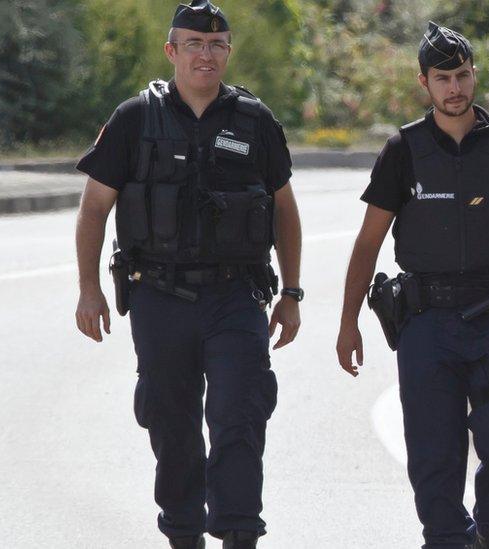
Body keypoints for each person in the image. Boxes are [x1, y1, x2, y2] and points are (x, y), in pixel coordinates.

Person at [73, 2, 303, 547]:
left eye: (217, 44)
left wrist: (291, 292)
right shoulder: (135, 119)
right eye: (194, 44)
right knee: (171, 425)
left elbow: (284, 209)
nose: (206, 54)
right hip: (158, 297)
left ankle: (239, 532)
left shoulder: (255, 121)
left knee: (240, 415)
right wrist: (88, 288)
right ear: (171, 50)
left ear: (228, 52)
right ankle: (182, 532)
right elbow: (93, 209)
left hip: (236, 296)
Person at [335, 21, 489, 549]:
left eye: (462, 76)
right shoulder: (403, 151)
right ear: (425, 84)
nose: (455, 88)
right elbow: (368, 242)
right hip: (426, 324)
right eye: (443, 78)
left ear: (474, 76)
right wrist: (348, 323)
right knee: (434, 456)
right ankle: (446, 538)